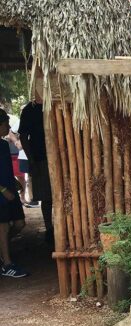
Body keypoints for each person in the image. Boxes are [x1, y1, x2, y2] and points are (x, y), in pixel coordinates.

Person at [18, 97, 53, 244]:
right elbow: (23, 137)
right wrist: (31, 160)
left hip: (60, 155)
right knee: (46, 197)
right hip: (40, 158)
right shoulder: (29, 110)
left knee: (62, 196)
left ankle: (58, 228)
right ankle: (49, 229)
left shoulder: (57, 103)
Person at [0, 109, 28, 278]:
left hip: (10, 189)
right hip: (2, 192)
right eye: (5, 124)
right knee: (2, 227)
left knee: (19, 223)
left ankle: (3, 251)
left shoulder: (3, 145)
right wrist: (3, 190)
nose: (9, 127)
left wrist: (14, 181)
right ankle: (7, 264)